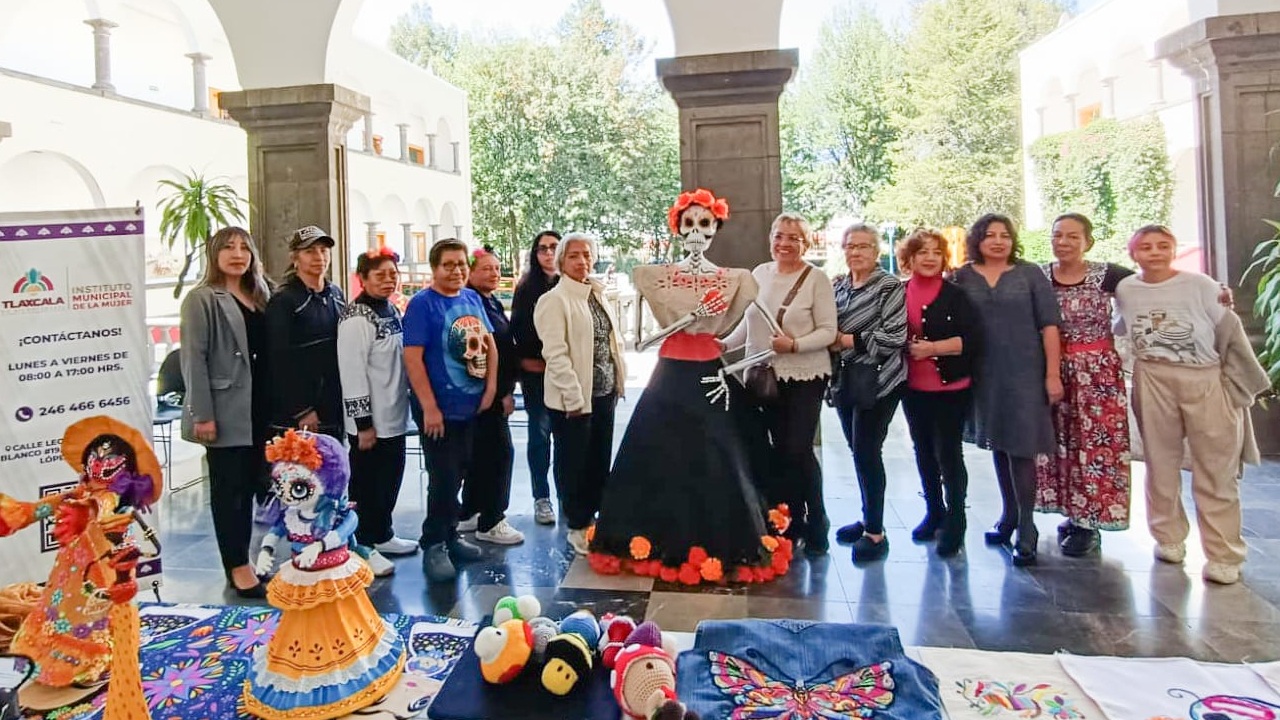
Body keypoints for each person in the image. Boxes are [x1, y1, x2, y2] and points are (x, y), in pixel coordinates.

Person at [590, 189, 793, 585]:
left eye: (705, 224)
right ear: (678, 228)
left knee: (717, 459)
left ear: (715, 227)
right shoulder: (658, 277)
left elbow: (775, 337)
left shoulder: (733, 279)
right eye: (690, 224)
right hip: (668, 376)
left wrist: (728, 370)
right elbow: (646, 342)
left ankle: (720, 540)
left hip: (708, 377)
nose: (697, 232)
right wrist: (690, 319)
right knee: (658, 455)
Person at [1117, 225, 1267, 585]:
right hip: (1153, 376)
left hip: (1203, 376)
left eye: (1163, 245)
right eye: (1146, 246)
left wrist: (1233, 385)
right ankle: (1167, 536)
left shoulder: (1202, 285)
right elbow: (1122, 328)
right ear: (1132, 253)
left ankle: (1224, 553)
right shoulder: (1126, 289)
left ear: (1173, 249)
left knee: (1216, 466)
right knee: (1160, 461)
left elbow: (1229, 333)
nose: (1154, 252)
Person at [723, 212, 838, 556]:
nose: (784, 243)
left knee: (797, 450)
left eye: (793, 238)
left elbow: (828, 331)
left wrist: (795, 345)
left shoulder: (817, 279)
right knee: (774, 452)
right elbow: (749, 322)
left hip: (804, 377)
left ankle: (816, 519)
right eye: (779, 236)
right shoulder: (759, 274)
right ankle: (787, 519)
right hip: (764, 377)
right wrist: (723, 344)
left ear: (806, 243)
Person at [952, 213, 1062, 567]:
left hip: (1025, 371)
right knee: (999, 442)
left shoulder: (1030, 274)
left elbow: (1049, 326)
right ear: (977, 240)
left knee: (1022, 447)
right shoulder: (963, 276)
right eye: (990, 235)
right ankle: (1009, 514)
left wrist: (1053, 374)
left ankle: (1027, 527)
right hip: (983, 372)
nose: (998, 241)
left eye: (1004, 235)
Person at [179, 226, 273, 598]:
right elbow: (193, 359)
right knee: (229, 491)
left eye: (244, 248)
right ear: (214, 255)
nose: (237, 254)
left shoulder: (260, 295)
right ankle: (236, 565)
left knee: (251, 486)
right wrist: (202, 413)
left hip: (259, 408)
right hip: (223, 409)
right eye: (228, 247)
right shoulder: (202, 299)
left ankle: (245, 557)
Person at [1036, 213, 1132, 557]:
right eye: (1058, 235)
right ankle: (1071, 512)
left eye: (1073, 236)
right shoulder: (1040, 276)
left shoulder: (1109, 275)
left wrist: (1217, 293)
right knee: (1059, 443)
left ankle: (1089, 522)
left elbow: (1155, 287)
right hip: (1054, 369)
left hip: (1097, 374)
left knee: (1095, 445)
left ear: (1088, 241)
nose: (1064, 242)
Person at [403, 238, 498, 583]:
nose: (456, 271)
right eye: (448, 265)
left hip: (469, 406)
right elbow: (412, 359)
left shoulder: (472, 298)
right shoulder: (421, 305)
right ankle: (433, 543)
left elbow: (489, 344)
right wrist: (429, 407)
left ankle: (451, 534)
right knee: (442, 477)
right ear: (434, 268)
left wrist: (490, 387)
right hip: (438, 410)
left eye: (461, 264)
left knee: (459, 472)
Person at [533, 233, 626, 556]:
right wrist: (574, 398)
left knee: (599, 460)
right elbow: (555, 355)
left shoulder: (594, 294)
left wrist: (618, 382)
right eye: (574, 255)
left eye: (586, 254)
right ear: (561, 261)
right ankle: (576, 523)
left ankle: (595, 519)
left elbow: (610, 344)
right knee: (574, 464)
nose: (582, 261)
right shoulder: (554, 300)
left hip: (603, 393)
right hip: (574, 402)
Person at [894, 227, 980, 558]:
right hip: (913, 387)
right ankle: (934, 512)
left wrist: (932, 348)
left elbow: (971, 341)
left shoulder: (956, 295)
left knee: (949, 452)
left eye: (936, 252)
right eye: (923, 252)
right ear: (909, 258)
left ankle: (956, 520)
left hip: (951, 388)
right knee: (923, 450)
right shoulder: (898, 293)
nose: (930, 258)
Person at [828, 224, 907, 562]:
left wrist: (847, 339)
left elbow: (894, 336)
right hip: (847, 380)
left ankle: (876, 533)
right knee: (857, 450)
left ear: (877, 252)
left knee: (867, 451)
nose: (856, 252)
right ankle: (866, 519)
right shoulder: (839, 286)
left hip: (880, 381)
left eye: (863, 246)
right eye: (850, 246)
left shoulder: (889, 286)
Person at [336, 247, 415, 578]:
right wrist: (363, 424)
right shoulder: (356, 319)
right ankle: (363, 543)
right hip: (371, 422)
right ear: (363, 279)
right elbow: (352, 373)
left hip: (395, 414)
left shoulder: (391, 310)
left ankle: (383, 533)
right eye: (379, 275)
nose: (387, 280)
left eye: (392, 274)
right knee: (368, 483)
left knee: (390, 478)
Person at [459, 247, 525, 545]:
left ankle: (472, 510)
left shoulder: (490, 300)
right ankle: (492, 519)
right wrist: (501, 393)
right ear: (470, 272)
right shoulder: (471, 303)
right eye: (486, 269)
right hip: (486, 394)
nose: (494, 274)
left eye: (497, 269)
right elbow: (479, 354)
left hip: (495, 392)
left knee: (481, 455)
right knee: (498, 454)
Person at [265, 225, 346, 438]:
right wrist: (301, 410)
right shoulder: (284, 300)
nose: (319, 257)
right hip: (300, 417)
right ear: (295, 258)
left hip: (334, 408)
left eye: (323, 250)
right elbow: (278, 360)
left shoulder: (336, 294)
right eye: (309, 251)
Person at [511, 230, 562, 526]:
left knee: (567, 439)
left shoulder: (571, 283)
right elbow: (519, 330)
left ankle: (568, 496)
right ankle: (541, 497)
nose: (548, 253)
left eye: (554, 247)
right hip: (537, 374)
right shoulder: (527, 287)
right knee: (540, 436)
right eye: (542, 248)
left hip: (567, 374)